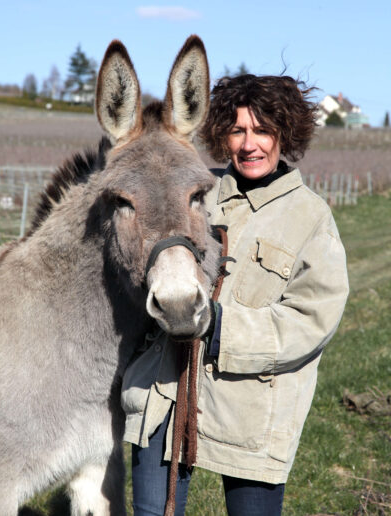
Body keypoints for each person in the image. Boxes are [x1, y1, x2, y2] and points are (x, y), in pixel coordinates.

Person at [121, 74, 349, 516]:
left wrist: (219, 325)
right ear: (222, 133)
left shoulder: (311, 218)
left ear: (286, 135)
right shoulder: (192, 191)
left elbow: (311, 321)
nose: (250, 144)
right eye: (238, 129)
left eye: (263, 130)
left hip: (252, 412)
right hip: (165, 392)